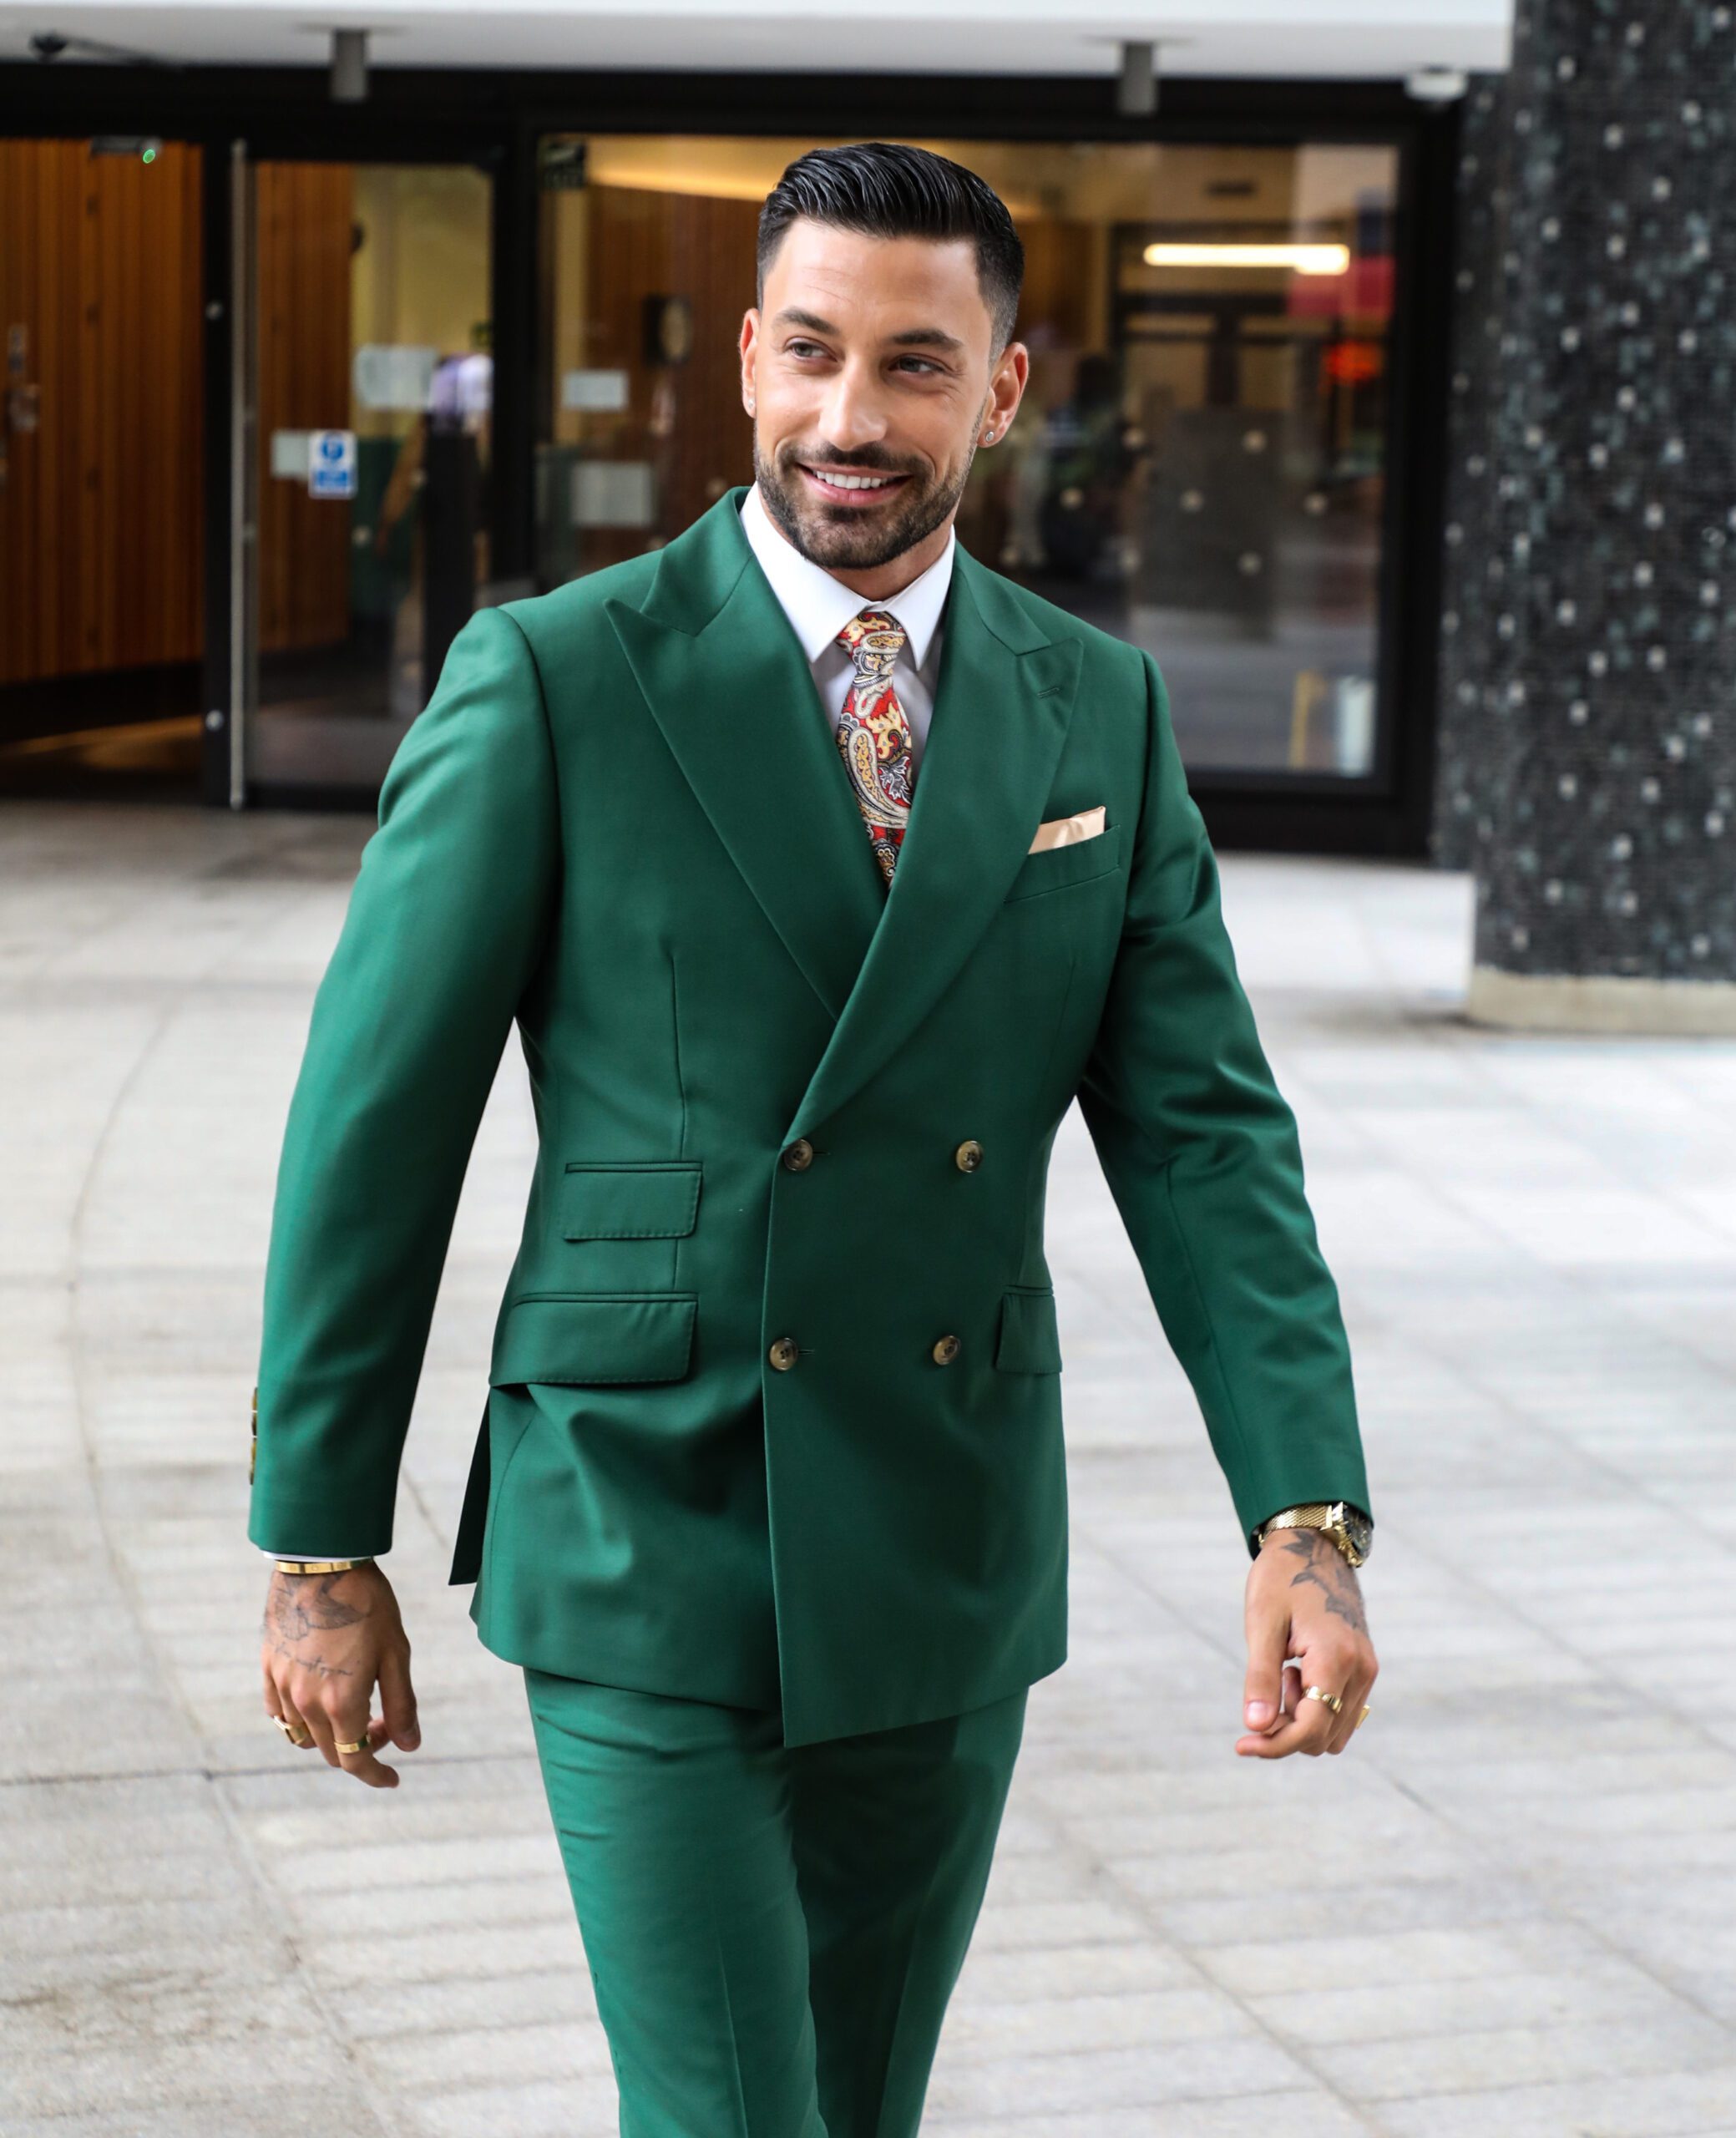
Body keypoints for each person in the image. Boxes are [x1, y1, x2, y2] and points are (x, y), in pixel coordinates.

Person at [251, 140, 1378, 2137]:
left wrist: (1304, 1512)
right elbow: (376, 1130)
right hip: (640, 1509)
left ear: (1004, 387)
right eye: (810, 353)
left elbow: (1206, 1138)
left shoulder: (1089, 708)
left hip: (940, 1526)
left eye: (917, 365)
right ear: (748, 370)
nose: (852, 418)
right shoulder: (556, 675)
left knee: (858, 2107)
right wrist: (321, 1542)